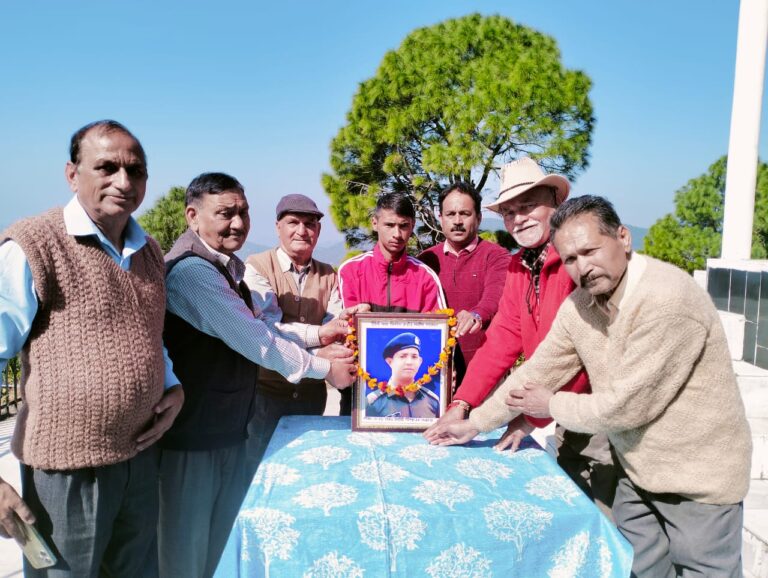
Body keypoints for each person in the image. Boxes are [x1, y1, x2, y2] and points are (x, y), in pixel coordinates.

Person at [435, 195, 752, 578]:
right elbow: (537, 369)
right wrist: (473, 420)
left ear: (623, 238)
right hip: (636, 474)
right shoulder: (582, 303)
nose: (582, 267)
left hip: (697, 481)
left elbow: (626, 406)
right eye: (570, 258)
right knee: (636, 568)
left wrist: (548, 405)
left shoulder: (666, 300)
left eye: (590, 250)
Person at [0, 120, 184, 577]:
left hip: (139, 459)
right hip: (65, 472)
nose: (124, 182)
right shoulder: (35, 245)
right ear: (71, 173)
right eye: (106, 167)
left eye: (136, 171)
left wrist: (172, 385)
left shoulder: (149, 251)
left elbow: (148, 332)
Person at [159, 173, 356, 578]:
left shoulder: (225, 266)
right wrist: (324, 367)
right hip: (194, 436)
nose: (237, 223)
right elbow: (257, 340)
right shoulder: (194, 273)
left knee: (222, 535)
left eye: (243, 212)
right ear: (192, 216)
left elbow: (265, 331)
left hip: (224, 426)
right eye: (225, 213)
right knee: (186, 546)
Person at [425, 158, 616, 518]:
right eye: (510, 211)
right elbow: (502, 340)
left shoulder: (577, 264)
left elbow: (579, 356)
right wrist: (462, 403)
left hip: (605, 416)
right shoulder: (520, 265)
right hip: (564, 416)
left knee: (610, 527)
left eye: (529, 206)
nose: (519, 218)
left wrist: (529, 418)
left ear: (556, 205)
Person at [244, 193, 362, 470]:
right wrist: (320, 348)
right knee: (259, 471)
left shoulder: (329, 275)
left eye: (310, 224)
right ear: (278, 227)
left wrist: (333, 335)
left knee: (306, 468)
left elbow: (337, 328)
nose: (302, 231)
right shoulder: (257, 266)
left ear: (318, 230)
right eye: (293, 222)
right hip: (266, 393)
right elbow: (267, 329)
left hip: (311, 395)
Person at [337, 191, 446, 413]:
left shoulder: (425, 276)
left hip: (415, 395)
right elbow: (343, 332)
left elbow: (438, 338)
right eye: (389, 225)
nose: (397, 233)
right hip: (359, 389)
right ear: (375, 223)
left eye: (403, 226)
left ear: (412, 226)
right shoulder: (351, 271)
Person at [417, 182, 510, 380]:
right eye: (450, 214)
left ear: (478, 218)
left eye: (465, 214)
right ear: (440, 218)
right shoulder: (425, 261)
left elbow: (495, 295)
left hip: (485, 370)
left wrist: (476, 314)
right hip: (435, 372)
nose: (457, 221)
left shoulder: (496, 256)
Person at [366, 332, 439, 418]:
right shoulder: (373, 402)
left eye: (414, 357)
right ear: (390, 362)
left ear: (420, 362)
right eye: (403, 356)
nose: (409, 362)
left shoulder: (433, 400)